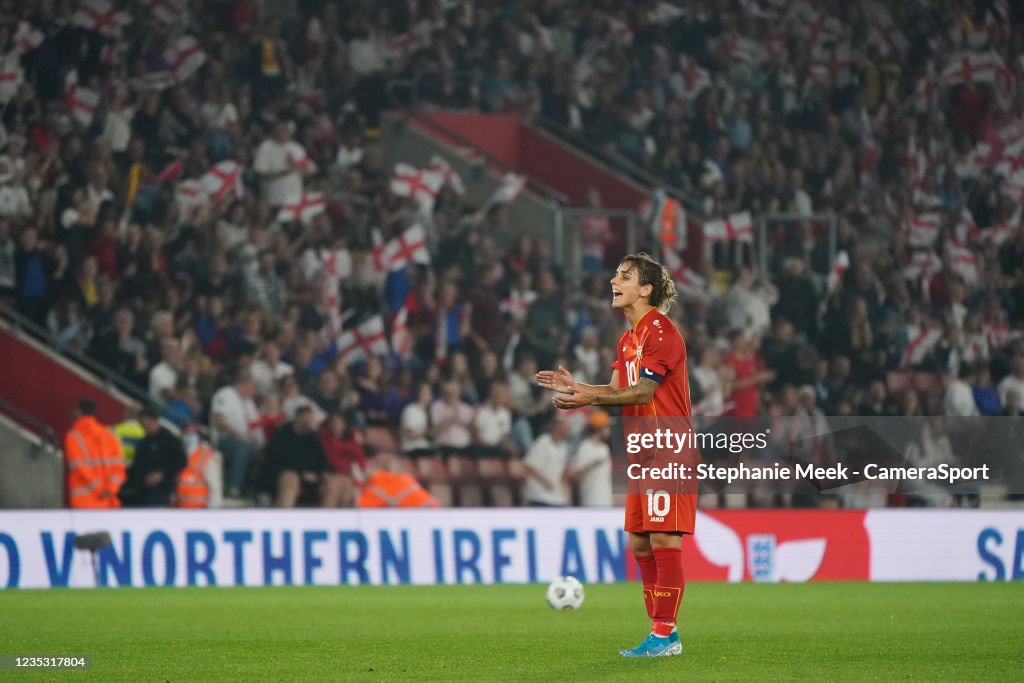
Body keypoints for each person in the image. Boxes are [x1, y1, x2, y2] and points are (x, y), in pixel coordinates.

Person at [536, 252, 695, 658]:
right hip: (641, 452)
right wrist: (580, 389)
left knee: (663, 538)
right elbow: (612, 389)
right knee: (641, 547)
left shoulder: (660, 331)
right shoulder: (627, 340)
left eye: (625, 276)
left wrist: (588, 396)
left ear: (646, 289)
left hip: (669, 447)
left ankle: (663, 634)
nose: (614, 279)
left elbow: (644, 392)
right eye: (615, 273)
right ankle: (663, 634)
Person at [209, 369, 262, 499]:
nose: (254, 390)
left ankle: (255, 491)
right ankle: (233, 487)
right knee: (243, 448)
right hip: (223, 440)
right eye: (252, 386)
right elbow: (218, 421)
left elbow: (257, 425)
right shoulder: (225, 394)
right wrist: (239, 437)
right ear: (242, 384)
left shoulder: (248, 401)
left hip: (245, 441)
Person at [65, 397, 125, 508]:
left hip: (84, 502)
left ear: (78, 411)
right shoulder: (109, 434)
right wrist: (110, 489)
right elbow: (119, 468)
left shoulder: (73, 437)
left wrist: (99, 489)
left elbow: (79, 468)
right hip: (108, 503)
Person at [264, 405, 330, 507]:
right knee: (291, 479)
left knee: (333, 482)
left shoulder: (312, 437)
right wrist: (301, 473)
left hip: (309, 477)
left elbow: (321, 460)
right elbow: (279, 458)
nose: (310, 421)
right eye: (308, 418)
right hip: (281, 474)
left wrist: (320, 474)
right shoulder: (282, 433)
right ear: (299, 417)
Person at [124, 407, 187, 507]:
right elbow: (137, 465)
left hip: (161, 491)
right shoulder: (143, 443)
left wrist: (162, 475)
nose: (144, 426)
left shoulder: (170, 440)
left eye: (146, 422)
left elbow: (181, 461)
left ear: (154, 420)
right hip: (142, 491)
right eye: (142, 423)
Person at [521, 415, 572, 506]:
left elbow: (562, 474)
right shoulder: (544, 441)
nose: (569, 428)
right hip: (540, 496)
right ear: (557, 426)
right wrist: (546, 482)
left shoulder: (564, 446)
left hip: (557, 498)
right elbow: (529, 466)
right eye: (566, 425)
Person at [570, 410, 614, 506]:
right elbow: (576, 477)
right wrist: (593, 464)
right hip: (590, 501)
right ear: (599, 428)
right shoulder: (585, 447)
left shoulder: (604, 448)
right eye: (607, 427)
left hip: (606, 500)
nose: (609, 431)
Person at [176, 423, 221, 508]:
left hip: (200, 509)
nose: (189, 436)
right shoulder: (177, 452)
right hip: (180, 508)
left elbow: (214, 485)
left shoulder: (205, 454)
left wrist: (213, 508)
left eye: (192, 433)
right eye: (187, 433)